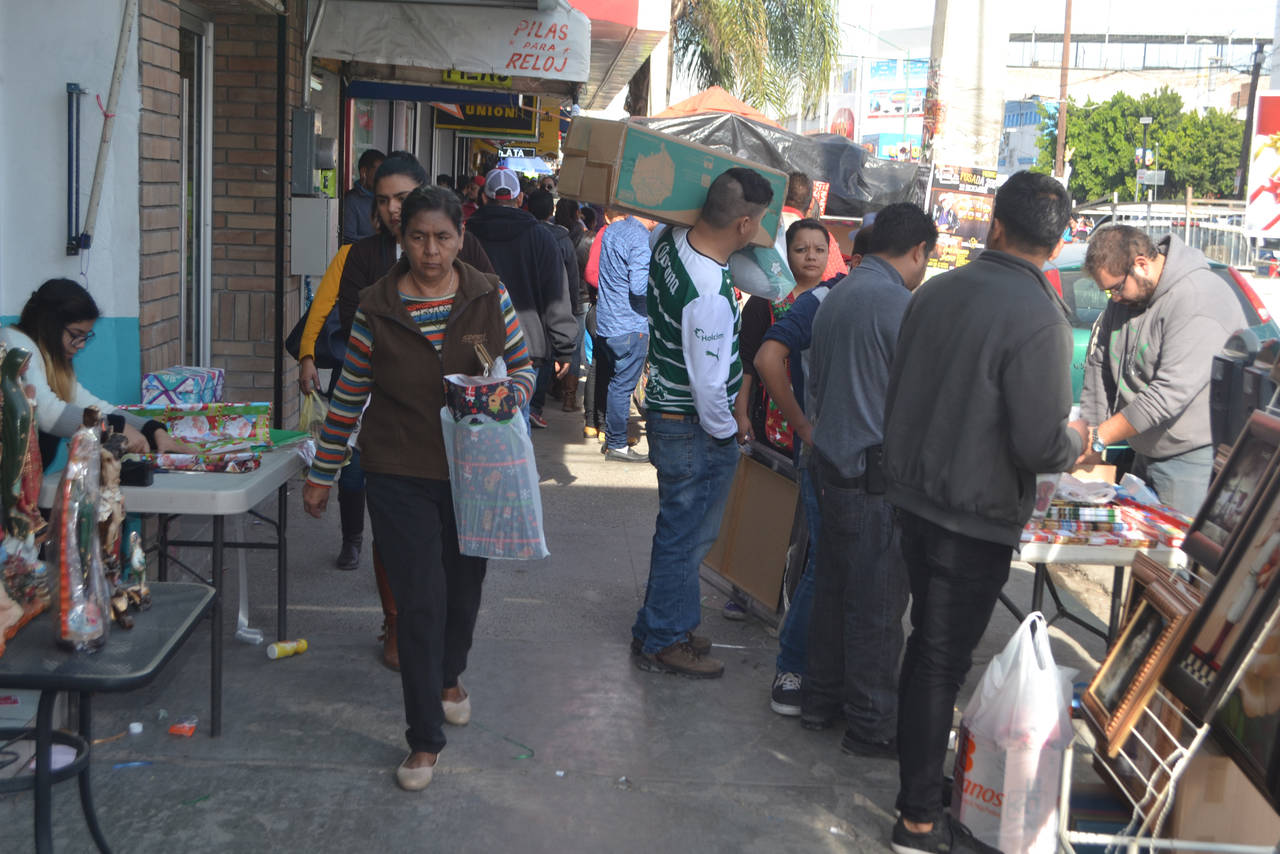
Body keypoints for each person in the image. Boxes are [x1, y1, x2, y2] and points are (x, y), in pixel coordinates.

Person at [302, 186, 536, 793]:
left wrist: (509, 392)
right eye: (417, 237)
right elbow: (350, 393)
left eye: (442, 237)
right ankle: (424, 738)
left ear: (461, 239)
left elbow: (524, 363)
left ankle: (450, 674)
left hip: (476, 469)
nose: (430, 251)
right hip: (397, 469)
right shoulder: (377, 306)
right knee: (420, 601)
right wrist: (323, 473)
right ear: (400, 238)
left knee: (464, 588)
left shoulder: (489, 295)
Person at [882, 171, 1087, 854]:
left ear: (995, 225)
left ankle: (918, 786)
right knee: (942, 658)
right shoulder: (1039, 317)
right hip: (971, 514)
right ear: (1055, 245)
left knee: (929, 650)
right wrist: (1076, 442)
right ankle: (915, 819)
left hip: (916, 497)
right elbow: (1038, 441)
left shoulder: (937, 290)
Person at [320, 151, 493, 667]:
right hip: (389, 431)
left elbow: (494, 333)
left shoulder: (467, 257)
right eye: (384, 200)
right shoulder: (363, 261)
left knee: (457, 569)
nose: (394, 210)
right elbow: (357, 351)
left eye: (402, 198)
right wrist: (324, 466)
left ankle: (444, 662)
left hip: (464, 442)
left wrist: (492, 386)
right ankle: (397, 623)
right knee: (399, 545)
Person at [804, 203, 937, 759]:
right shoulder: (897, 304)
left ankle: (820, 700)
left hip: (834, 469)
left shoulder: (840, 294)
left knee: (834, 596)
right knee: (877, 610)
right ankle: (872, 725)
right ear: (917, 253)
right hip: (872, 478)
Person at [631, 167, 775, 678]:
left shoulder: (669, 240)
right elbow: (710, 388)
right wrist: (727, 434)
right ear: (742, 225)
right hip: (690, 424)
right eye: (757, 225)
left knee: (675, 531)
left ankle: (659, 625)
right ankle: (666, 640)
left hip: (666, 408)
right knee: (687, 537)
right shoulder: (710, 291)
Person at [754, 223, 875, 717]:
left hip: (863, 462)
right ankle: (793, 666)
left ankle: (826, 673)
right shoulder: (822, 302)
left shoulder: (855, 300)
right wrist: (802, 423)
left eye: (817, 249)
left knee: (844, 568)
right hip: (828, 457)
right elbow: (765, 357)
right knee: (824, 564)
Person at [1077, 225, 1246, 516]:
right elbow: (1099, 367)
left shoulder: (1198, 298)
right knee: (1141, 554)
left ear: (1141, 264)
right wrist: (1090, 433)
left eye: (1116, 288)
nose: (1114, 298)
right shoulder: (1126, 300)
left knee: (1171, 556)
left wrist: (1100, 436)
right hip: (1144, 450)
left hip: (1191, 458)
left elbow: (1167, 394)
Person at [0, 279, 184, 467]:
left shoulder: (52, 361)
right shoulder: (14, 345)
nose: (81, 345)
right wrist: (116, 427)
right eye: (75, 335)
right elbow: (46, 413)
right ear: (50, 324)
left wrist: (152, 430)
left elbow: (91, 406)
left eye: (84, 337)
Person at [466, 168, 576, 430]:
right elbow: (556, 296)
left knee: (470, 423)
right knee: (517, 422)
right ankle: (515, 471)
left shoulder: (463, 236)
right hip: (527, 348)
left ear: (484, 198)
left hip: (471, 345)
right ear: (518, 199)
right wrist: (565, 348)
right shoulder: (541, 237)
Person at [596, 211, 652, 462]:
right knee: (621, 387)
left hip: (607, 321)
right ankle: (617, 444)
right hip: (630, 324)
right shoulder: (641, 240)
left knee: (613, 382)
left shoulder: (613, 229)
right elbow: (639, 287)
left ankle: (611, 438)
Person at [528, 189, 584, 411]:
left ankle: (533, 403)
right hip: (558, 304)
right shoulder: (562, 239)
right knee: (551, 353)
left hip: (530, 304)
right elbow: (570, 281)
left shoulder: (525, 235)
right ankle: (544, 402)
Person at [780, 171, 849, 281]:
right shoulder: (821, 237)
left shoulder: (757, 228)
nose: (811, 257)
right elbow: (837, 282)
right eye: (801, 249)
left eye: (819, 250)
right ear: (812, 204)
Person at [342, 149, 385, 243]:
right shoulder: (351, 201)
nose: (383, 178)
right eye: (379, 172)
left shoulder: (385, 198)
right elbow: (348, 239)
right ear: (364, 172)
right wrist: (378, 242)